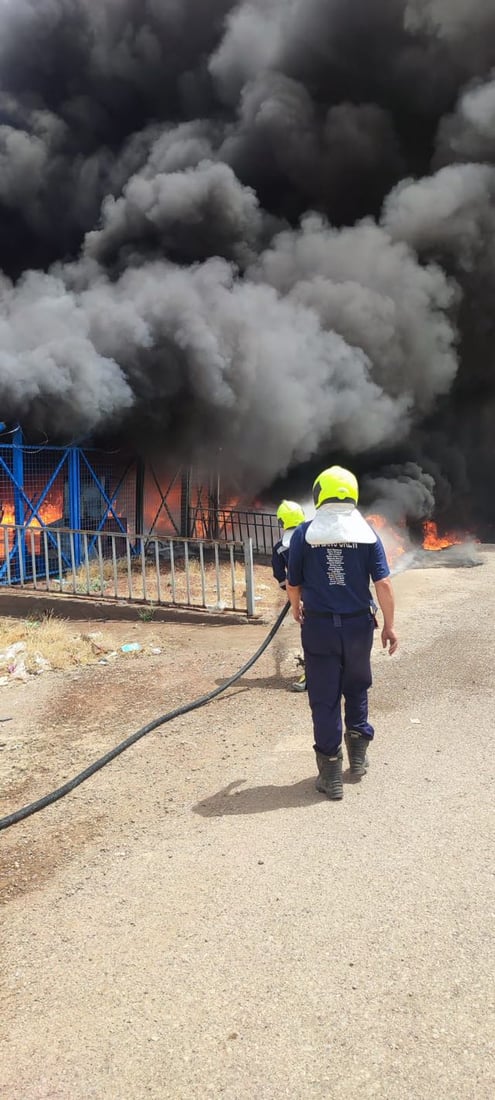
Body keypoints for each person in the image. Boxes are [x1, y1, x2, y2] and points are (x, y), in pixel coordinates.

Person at [286, 466, 398, 801]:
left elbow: (293, 583)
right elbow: (384, 584)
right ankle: (358, 758)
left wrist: (296, 607)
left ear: (319, 493)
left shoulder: (304, 534)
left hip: (319, 627)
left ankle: (331, 773)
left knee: (324, 697)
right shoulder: (366, 535)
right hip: (358, 626)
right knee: (357, 685)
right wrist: (390, 626)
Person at [272, 500, 307, 692]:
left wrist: (295, 599)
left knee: (310, 636)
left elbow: (281, 578)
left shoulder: (280, 548)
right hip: (326, 594)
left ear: (281, 522)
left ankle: (310, 675)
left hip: (305, 599)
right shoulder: (315, 537)